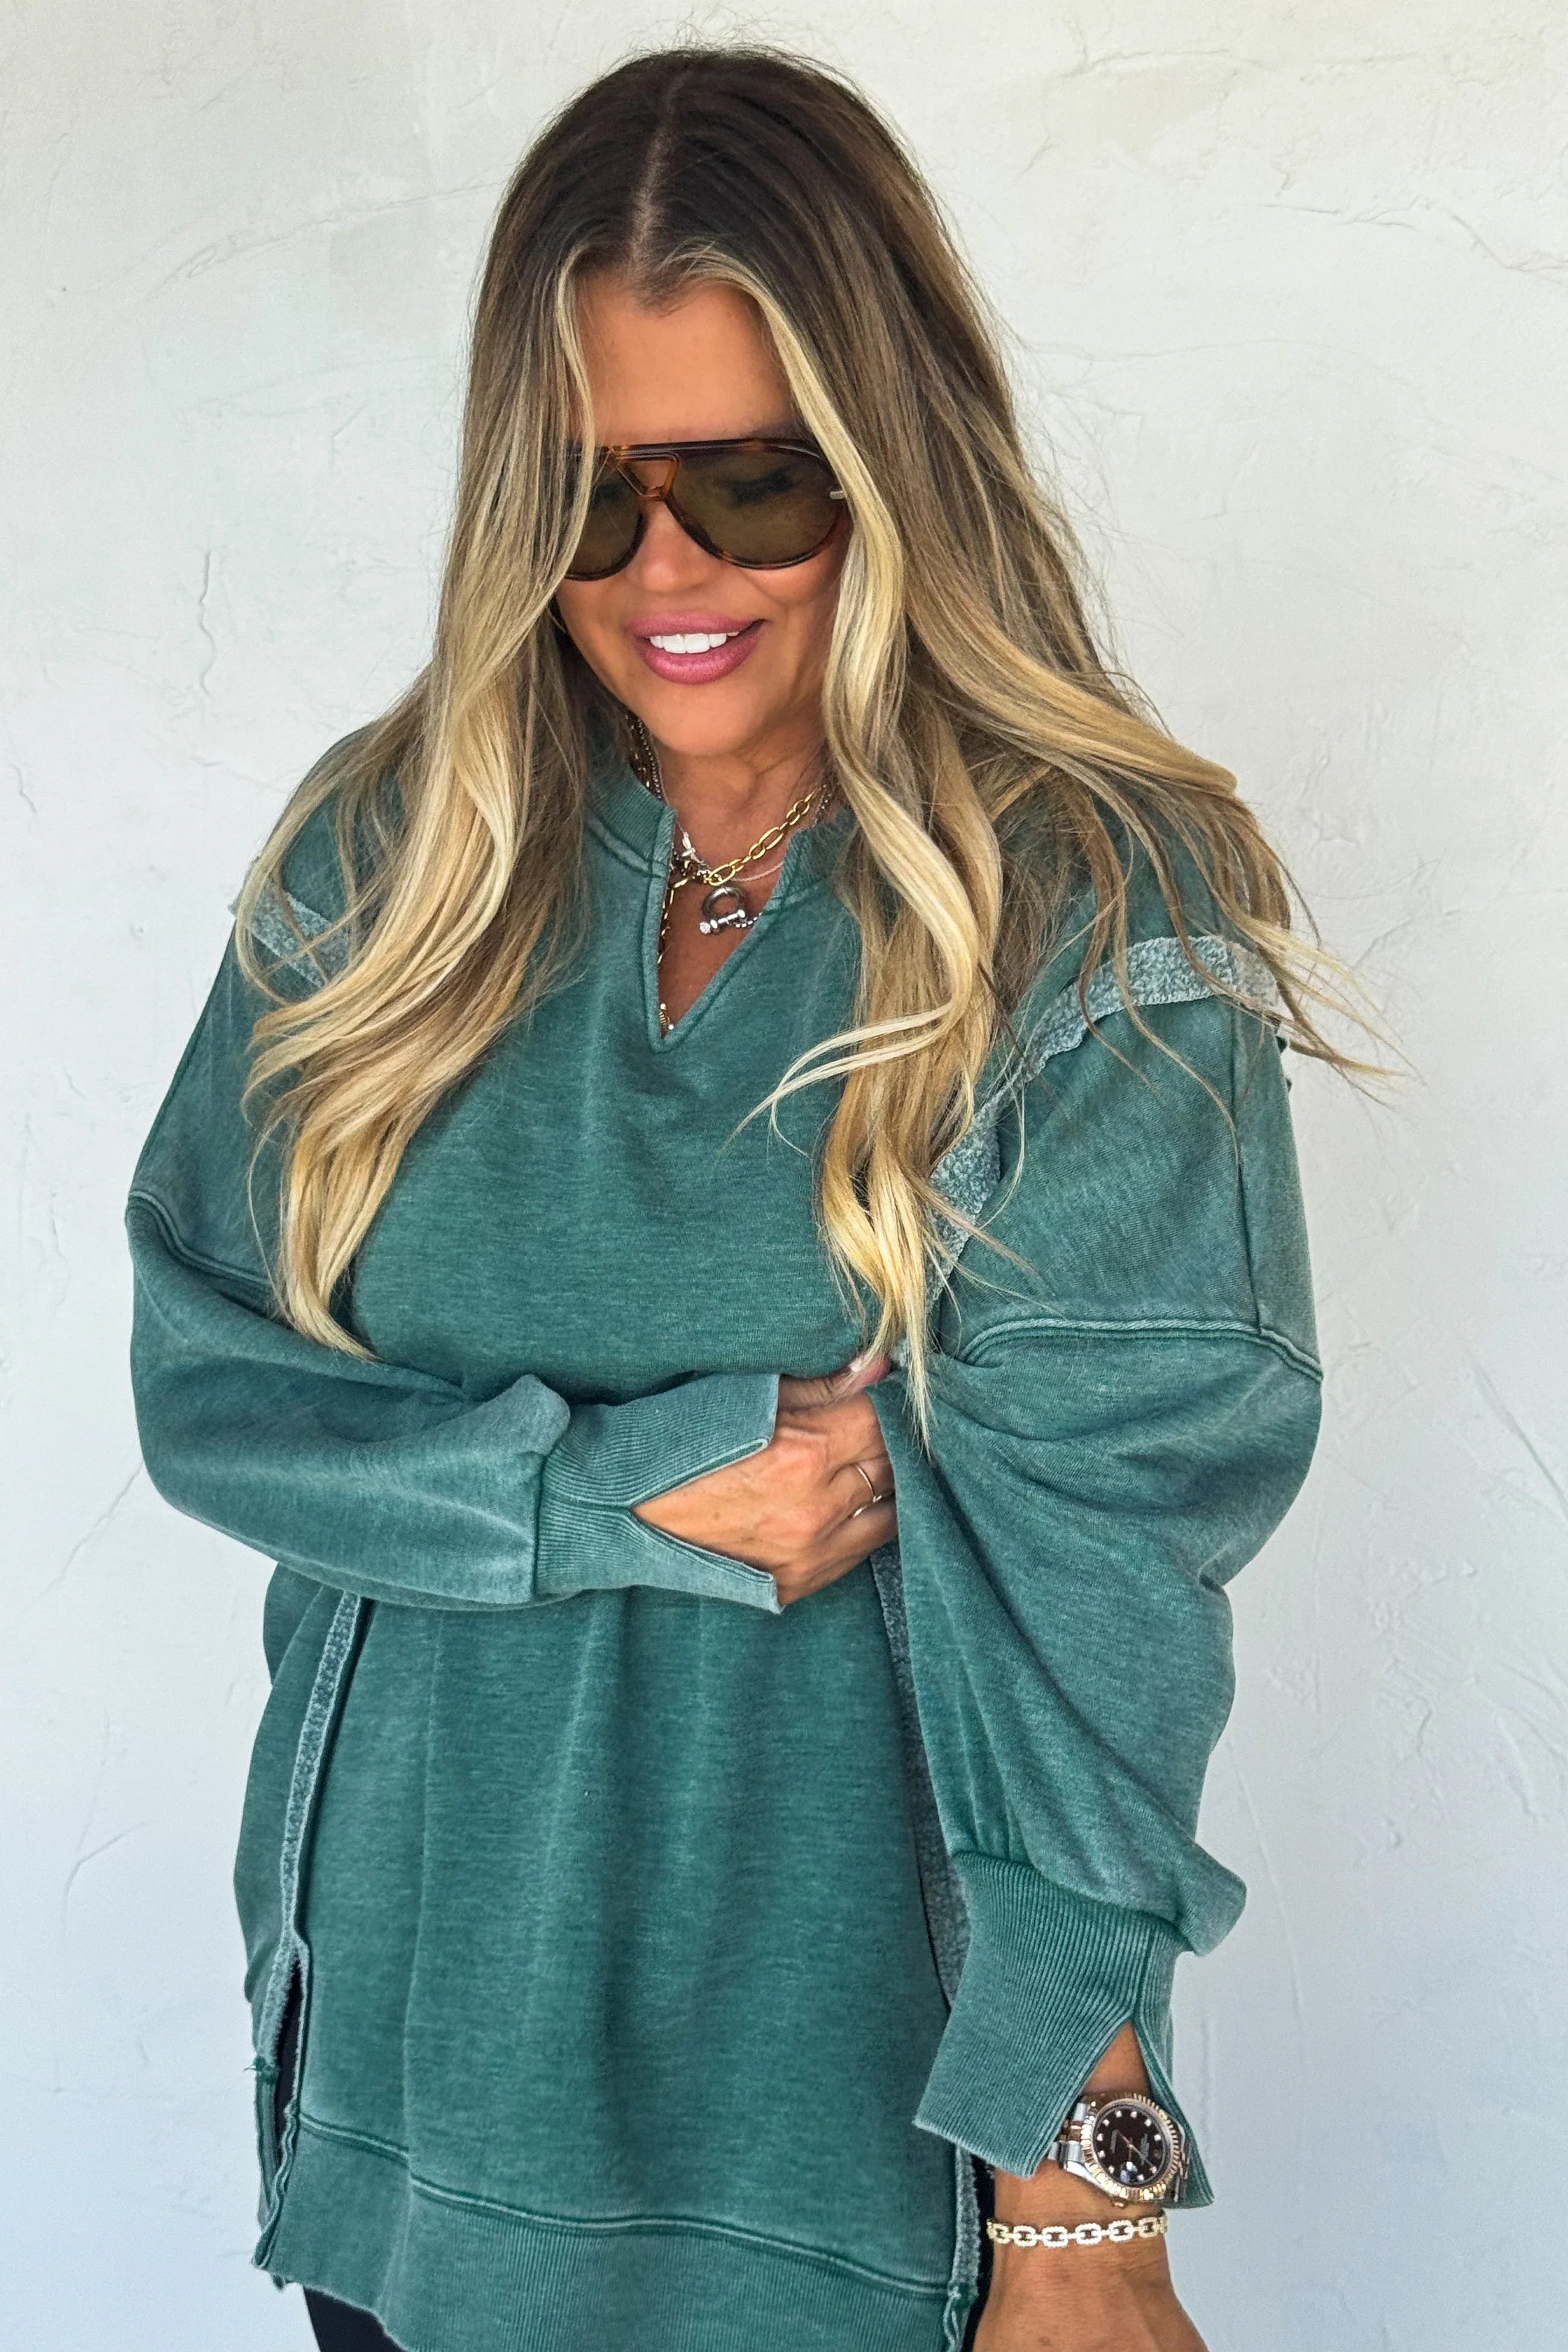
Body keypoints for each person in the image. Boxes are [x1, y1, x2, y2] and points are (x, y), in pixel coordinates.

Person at [126, 43, 1345, 2352]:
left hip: (840, 2182)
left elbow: (1096, 1592)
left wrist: (1084, 2214)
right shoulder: (391, 862)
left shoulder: (1088, 904)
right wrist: (611, 1493)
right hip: (407, 2123)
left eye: (754, 481)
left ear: (894, 461)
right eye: (593, 499)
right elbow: (213, 1391)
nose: (668, 570)